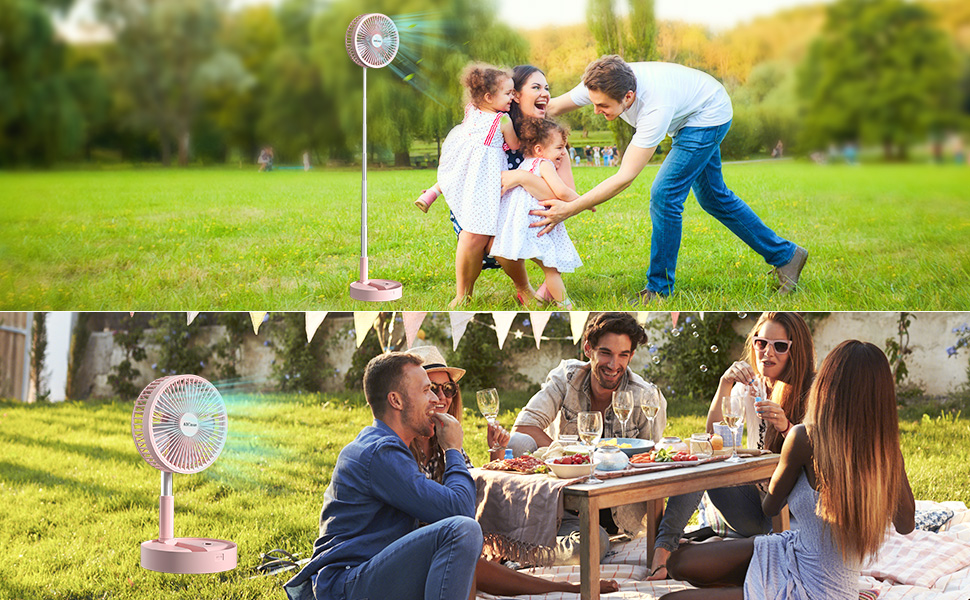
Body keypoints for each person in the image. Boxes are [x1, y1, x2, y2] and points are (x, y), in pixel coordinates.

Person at [659, 340, 916, 600]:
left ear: (827, 386)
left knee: (669, 599)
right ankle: (746, 588)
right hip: (790, 550)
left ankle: (747, 591)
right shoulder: (887, 453)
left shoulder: (805, 438)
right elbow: (906, 525)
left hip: (819, 590)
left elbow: (770, 507)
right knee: (677, 562)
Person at [534, 55, 808, 298]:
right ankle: (786, 255)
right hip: (693, 106)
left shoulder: (655, 108)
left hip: (707, 115)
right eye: (593, 103)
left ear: (628, 97)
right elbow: (553, 107)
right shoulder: (601, 82)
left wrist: (569, 209)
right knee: (714, 197)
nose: (595, 110)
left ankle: (658, 289)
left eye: (602, 106)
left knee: (665, 195)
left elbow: (625, 177)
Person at [408, 345, 620, 597]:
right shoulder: (403, 451)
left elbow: (474, 494)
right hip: (444, 548)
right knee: (586, 546)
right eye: (431, 388)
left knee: (594, 537)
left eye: (448, 388)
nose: (441, 397)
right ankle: (553, 581)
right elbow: (452, 514)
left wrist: (495, 456)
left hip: (473, 538)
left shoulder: (447, 441)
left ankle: (517, 560)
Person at [282, 352, 482, 600]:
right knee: (461, 530)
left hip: (368, 572)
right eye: (426, 390)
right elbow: (460, 510)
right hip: (346, 586)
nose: (436, 400)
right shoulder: (381, 453)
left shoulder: (388, 446)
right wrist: (453, 449)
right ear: (396, 401)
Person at [647, 311, 816, 580]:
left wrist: (787, 428)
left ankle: (685, 550)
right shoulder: (751, 386)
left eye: (780, 346)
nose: (767, 353)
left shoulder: (814, 391)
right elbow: (713, 440)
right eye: (761, 343)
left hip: (794, 520)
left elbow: (820, 469)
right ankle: (662, 550)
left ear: (797, 351)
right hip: (754, 509)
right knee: (702, 457)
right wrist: (724, 384)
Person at [510, 312, 668, 564]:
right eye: (605, 352)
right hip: (567, 506)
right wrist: (572, 461)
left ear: (631, 356)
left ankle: (522, 552)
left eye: (623, 355)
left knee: (593, 544)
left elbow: (655, 468)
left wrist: (660, 539)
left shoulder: (646, 397)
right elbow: (524, 427)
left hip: (615, 515)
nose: (614, 364)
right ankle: (527, 539)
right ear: (588, 348)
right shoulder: (567, 378)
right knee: (516, 444)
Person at [490, 118, 583, 308]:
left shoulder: (525, 164)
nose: (562, 153)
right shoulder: (544, 164)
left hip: (518, 227)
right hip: (536, 225)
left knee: (549, 266)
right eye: (559, 148)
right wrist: (584, 202)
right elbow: (562, 191)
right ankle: (565, 305)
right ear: (539, 150)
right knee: (552, 268)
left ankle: (541, 299)